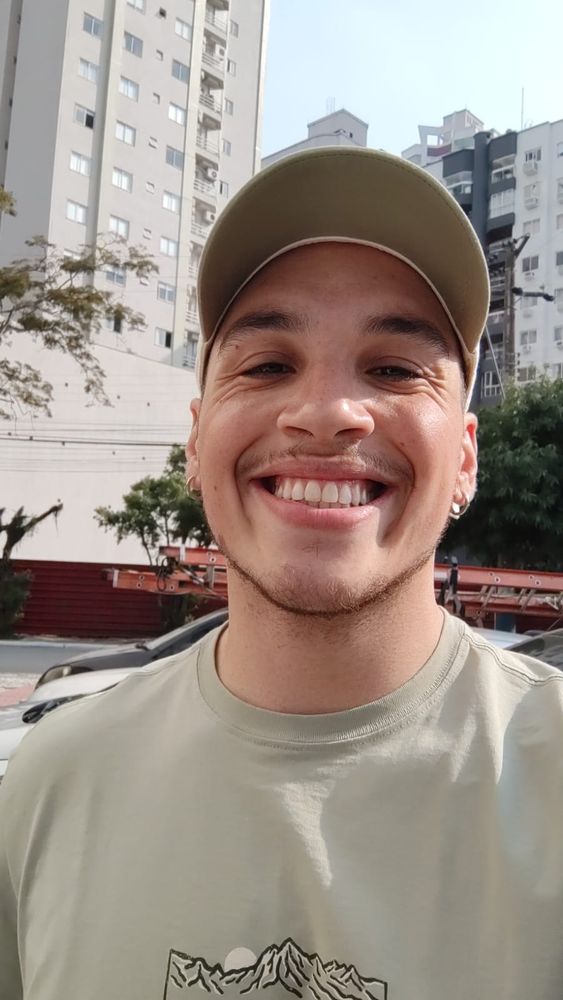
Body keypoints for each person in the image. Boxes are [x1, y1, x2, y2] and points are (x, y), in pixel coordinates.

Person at [1, 147, 563, 1000]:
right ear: (196, 443)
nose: (326, 414)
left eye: (392, 369)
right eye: (267, 365)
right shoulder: (52, 778)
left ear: (464, 459)